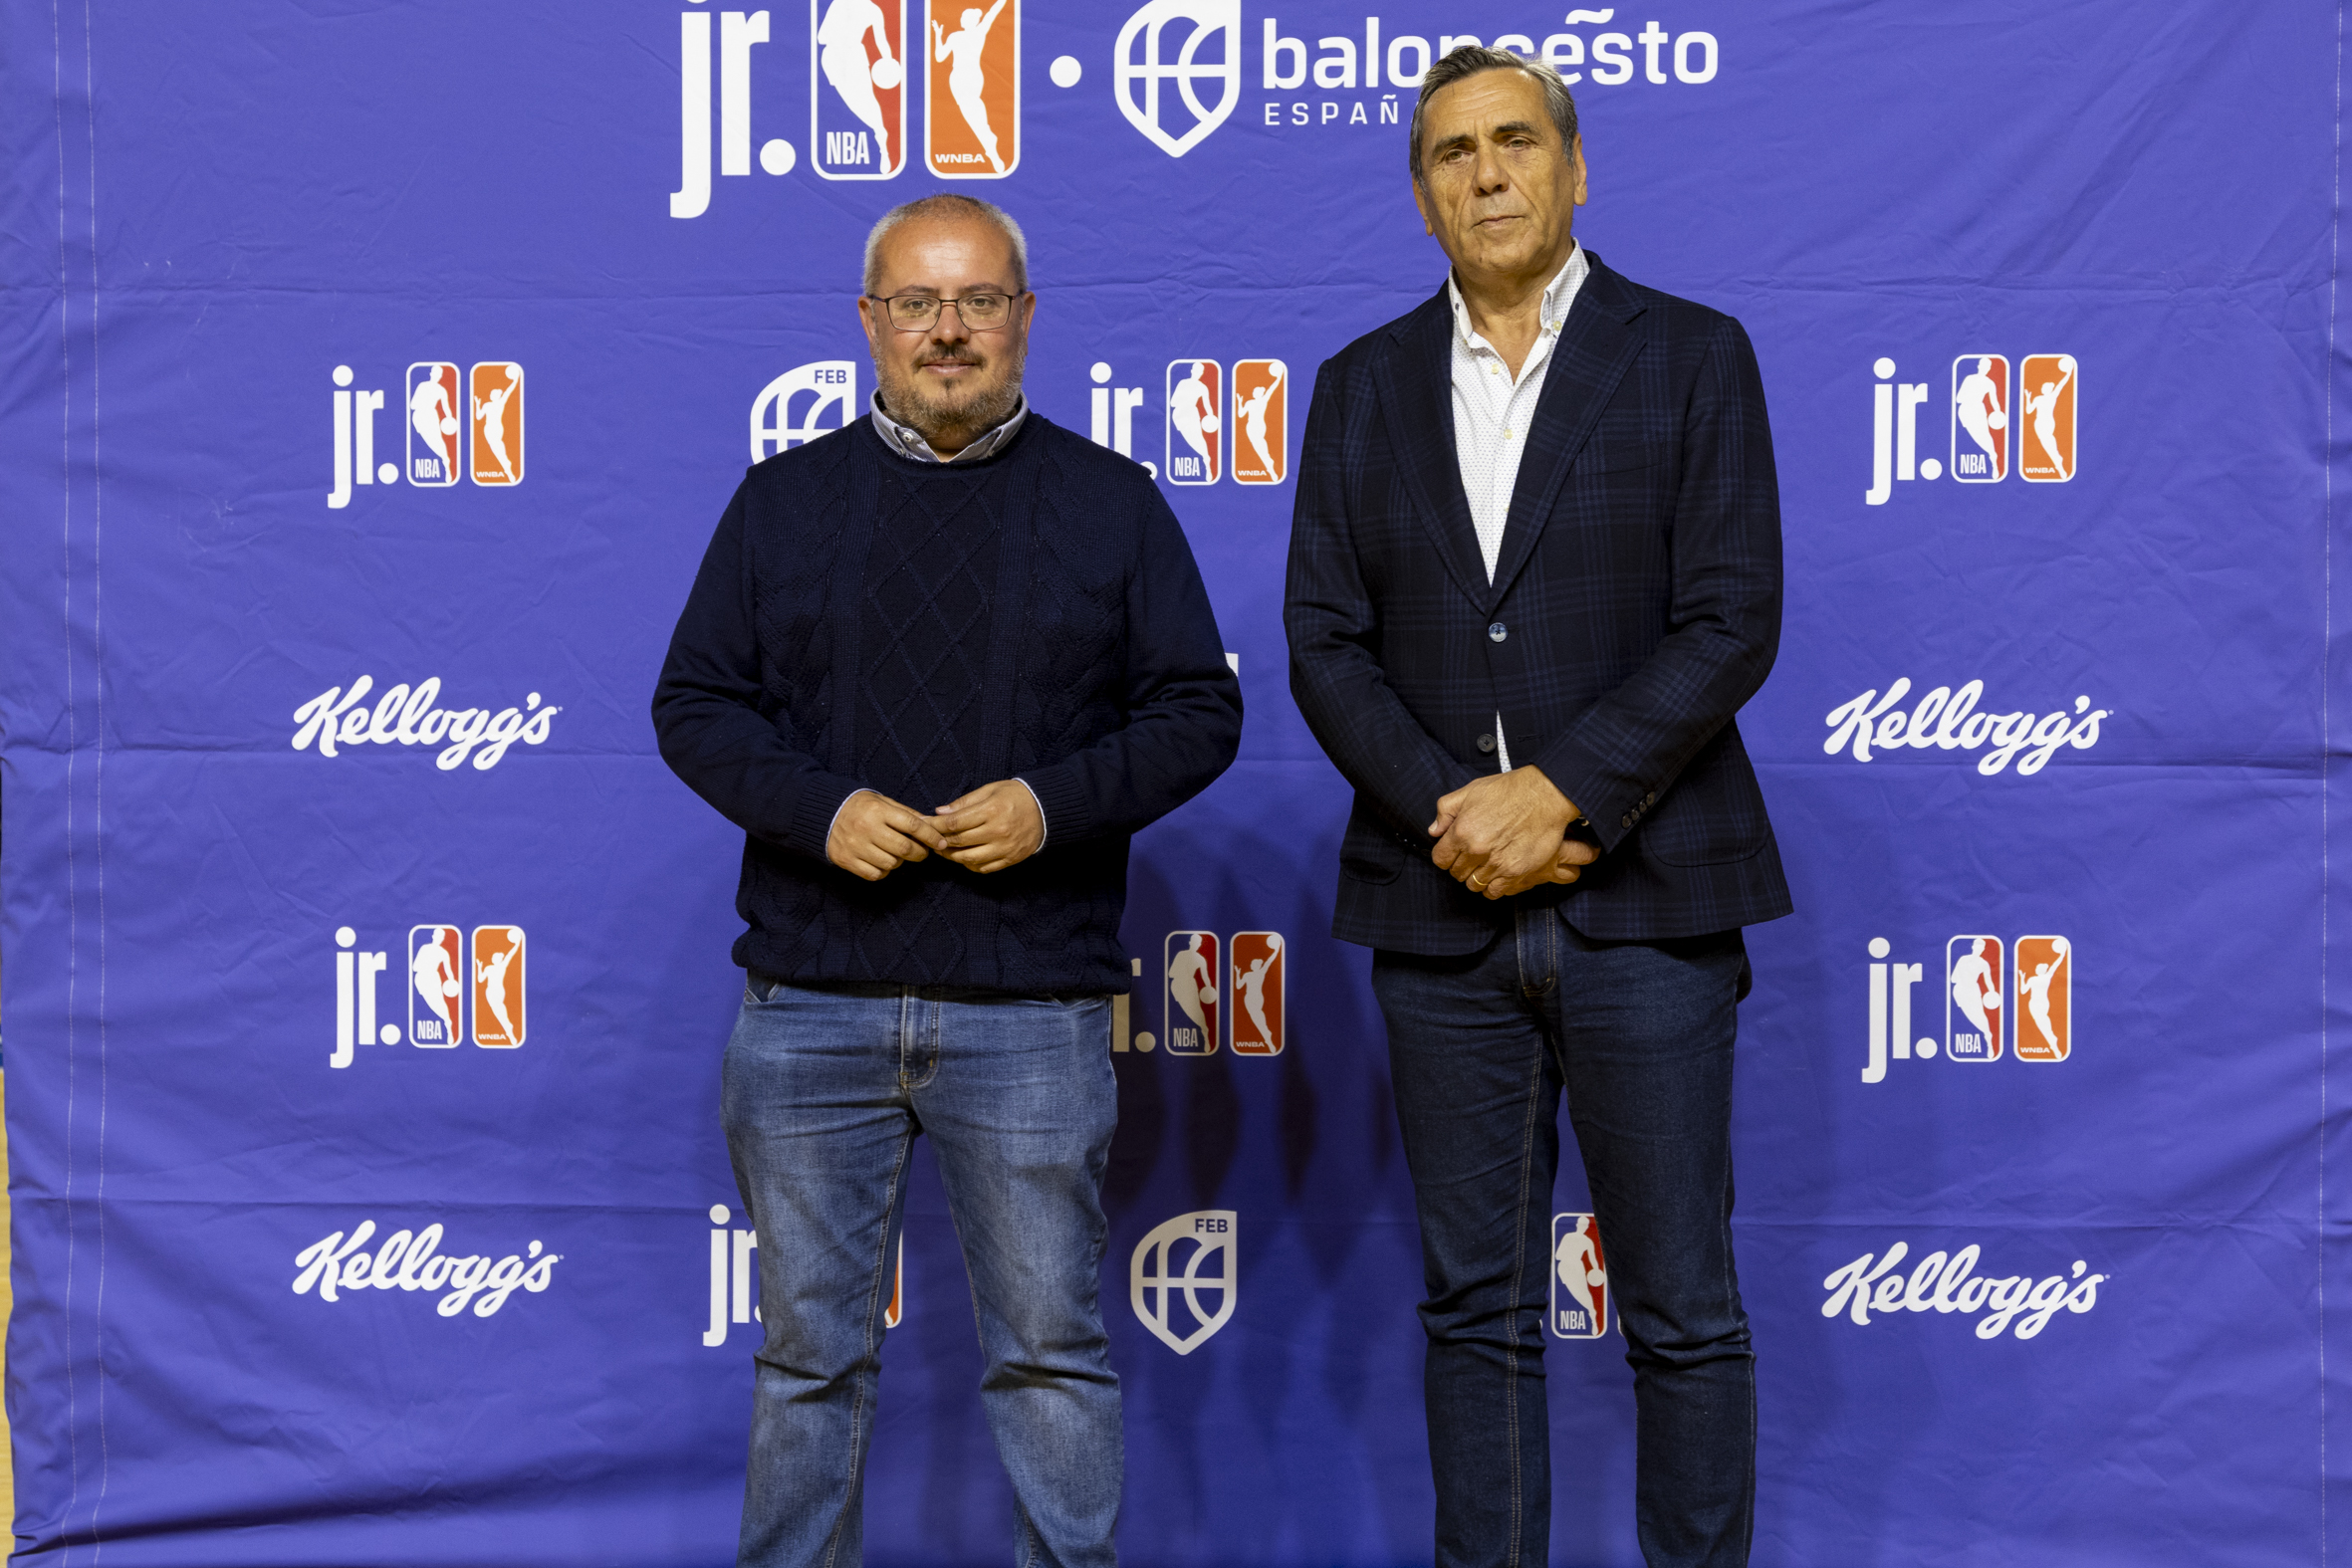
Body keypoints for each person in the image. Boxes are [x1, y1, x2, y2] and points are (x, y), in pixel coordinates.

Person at [652, 192, 1241, 1568]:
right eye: (916, 304)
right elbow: (694, 703)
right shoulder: (779, 499)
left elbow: (1195, 716)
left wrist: (1049, 805)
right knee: (807, 1361)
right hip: (807, 1008)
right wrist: (820, 808)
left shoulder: (1112, 503)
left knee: (1049, 1355)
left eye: (977, 300)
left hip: (1028, 1012)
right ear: (868, 324)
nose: (949, 330)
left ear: (1027, 319)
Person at [1284, 46, 1791, 1568]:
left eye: (1514, 142)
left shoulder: (1693, 354)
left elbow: (1731, 616)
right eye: (1450, 152)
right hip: (1440, 916)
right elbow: (1323, 637)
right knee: (1472, 1311)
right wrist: (1462, 810)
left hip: (1647, 898)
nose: (1485, 172)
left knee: (1682, 1308)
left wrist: (1556, 791)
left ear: (1575, 169)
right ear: (1423, 194)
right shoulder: (1360, 384)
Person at [933, 0, 1010, 173]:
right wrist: (938, 35)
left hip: (972, 75)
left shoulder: (979, 32)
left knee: (972, 108)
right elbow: (939, 57)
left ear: (972, 20)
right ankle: (989, 138)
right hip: (956, 77)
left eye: (964, 17)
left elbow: (991, 14)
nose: (961, 19)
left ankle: (990, 146)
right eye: (961, 16)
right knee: (970, 112)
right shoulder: (954, 36)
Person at [818, 0, 899, 158]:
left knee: (867, 98)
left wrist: (888, 61)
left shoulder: (873, 10)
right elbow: (821, 37)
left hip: (854, 57)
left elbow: (881, 41)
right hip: (834, 57)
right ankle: (879, 131)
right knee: (853, 102)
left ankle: (881, 139)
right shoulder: (841, 4)